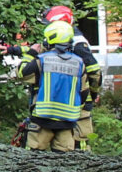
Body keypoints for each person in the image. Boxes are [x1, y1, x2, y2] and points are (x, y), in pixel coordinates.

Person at [18, 18, 99, 151]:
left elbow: (22, 73)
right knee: (65, 163)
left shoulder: (42, 60)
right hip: (67, 122)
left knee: (32, 160)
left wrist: (31, 53)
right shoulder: (79, 63)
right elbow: (84, 93)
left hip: (42, 119)